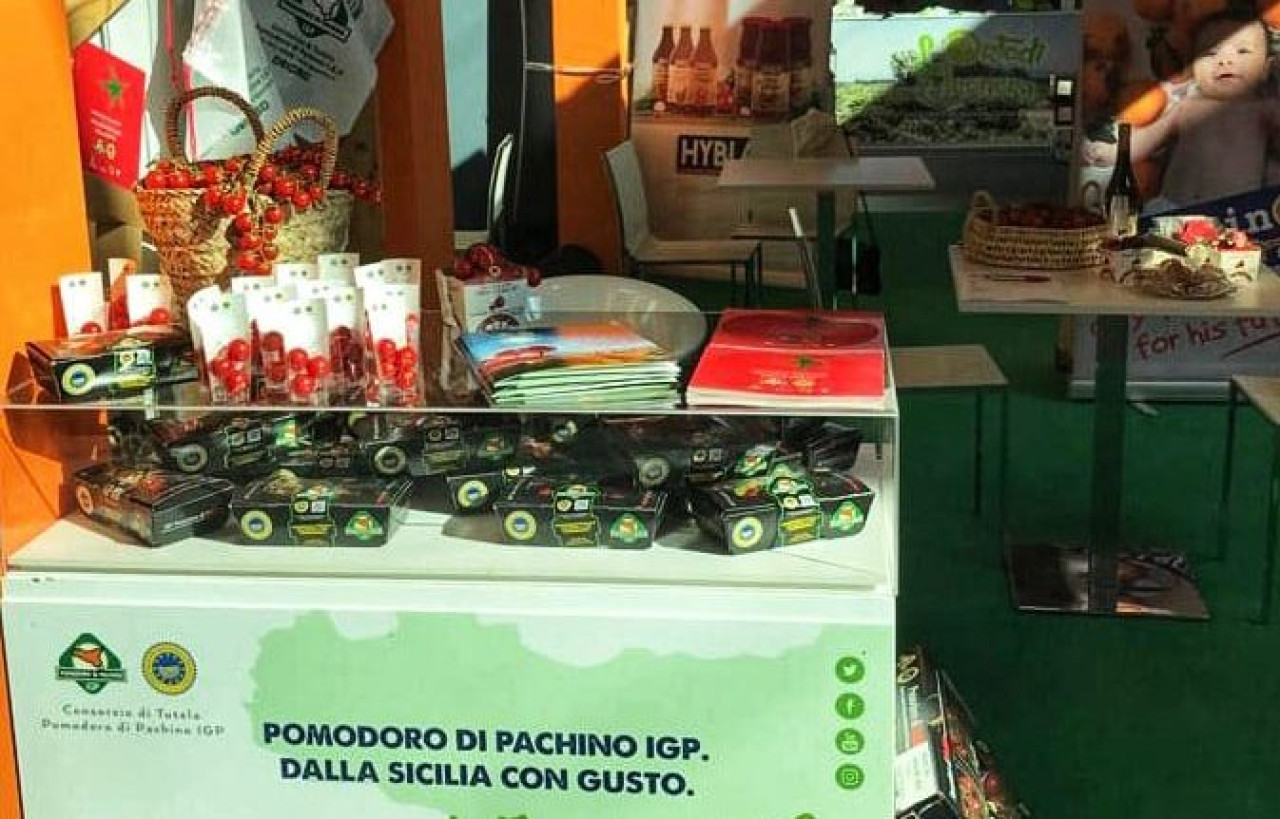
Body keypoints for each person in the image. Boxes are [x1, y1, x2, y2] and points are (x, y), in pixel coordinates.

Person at [1084, 12, 1280, 210]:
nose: (1224, 61)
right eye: (1210, 53)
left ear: (1267, 68)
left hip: (1233, 213)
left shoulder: (1264, 111)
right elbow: (1149, 137)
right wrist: (1115, 151)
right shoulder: (1186, 108)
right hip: (1173, 208)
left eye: (1242, 51)